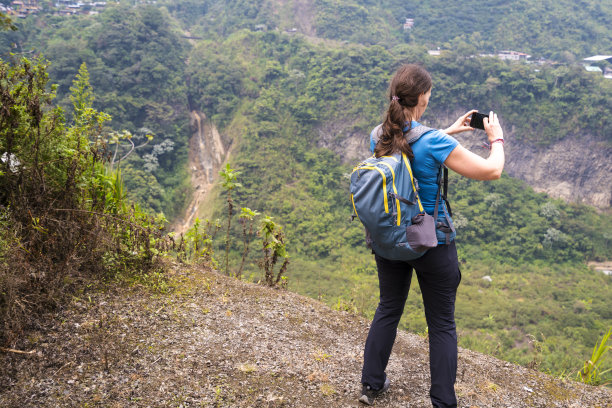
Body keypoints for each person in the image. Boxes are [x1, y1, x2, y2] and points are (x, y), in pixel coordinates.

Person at [359, 63, 505, 407]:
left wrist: (448, 131)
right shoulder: (433, 141)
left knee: (388, 308)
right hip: (431, 242)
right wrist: (495, 138)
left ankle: (371, 385)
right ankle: (442, 401)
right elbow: (492, 170)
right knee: (441, 324)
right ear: (423, 98)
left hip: (390, 240)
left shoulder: (377, 134)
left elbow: (408, 142)